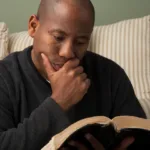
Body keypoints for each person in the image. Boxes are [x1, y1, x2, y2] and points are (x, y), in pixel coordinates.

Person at [0, 0, 146, 149]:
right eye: (58, 37)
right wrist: (58, 103)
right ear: (33, 26)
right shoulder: (5, 76)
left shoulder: (111, 75)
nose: (68, 53)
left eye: (80, 42)